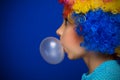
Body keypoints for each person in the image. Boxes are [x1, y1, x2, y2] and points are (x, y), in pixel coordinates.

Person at [56, 0, 120, 80]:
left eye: (66, 22)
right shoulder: (104, 73)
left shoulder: (108, 77)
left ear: (90, 28)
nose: (58, 31)